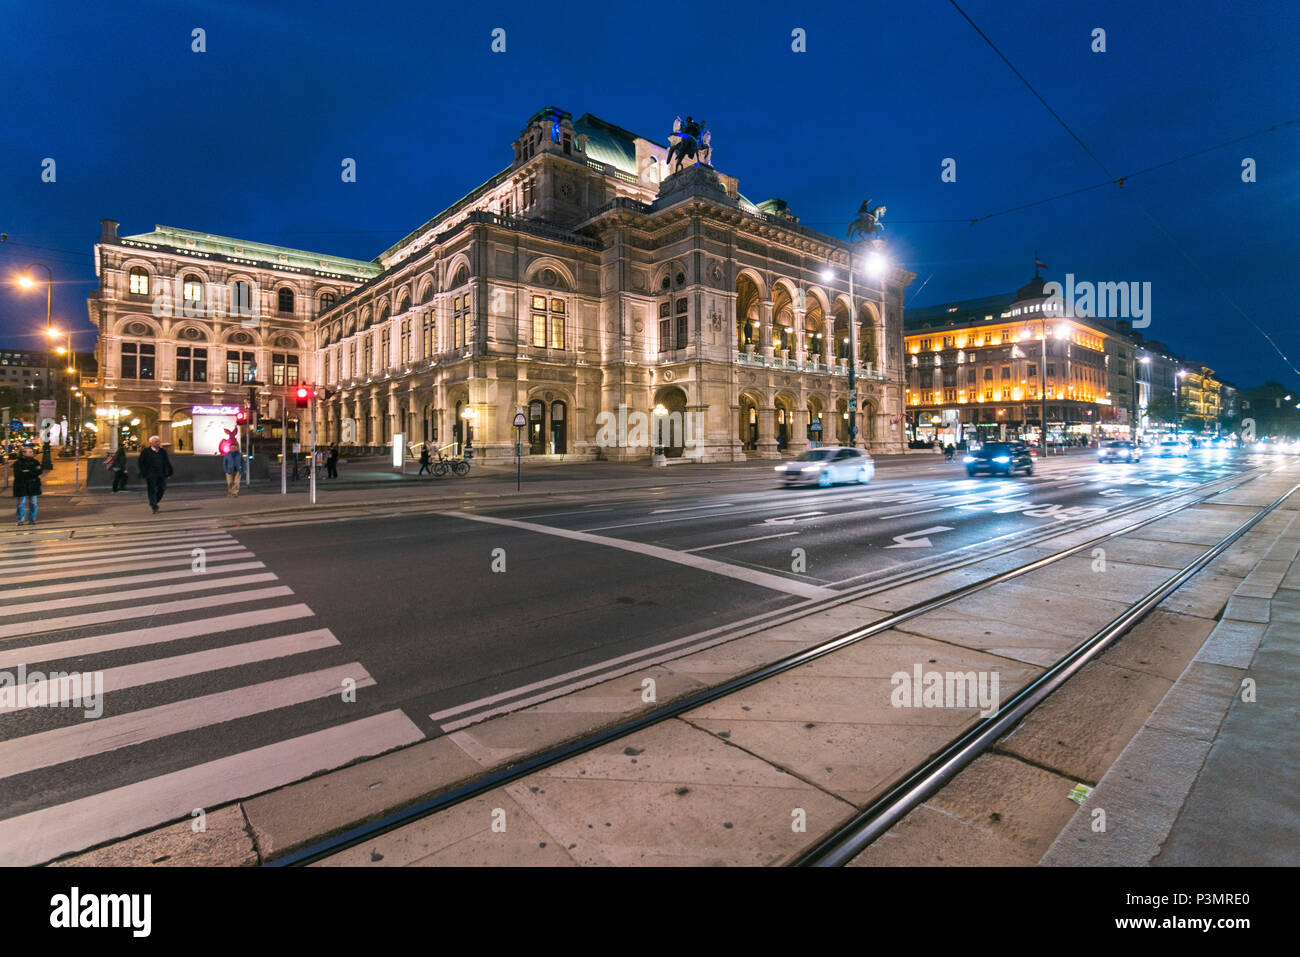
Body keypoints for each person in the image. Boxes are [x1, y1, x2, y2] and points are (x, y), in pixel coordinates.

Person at [138, 435, 174, 513]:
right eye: (156, 441)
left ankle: (154, 501)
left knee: (162, 488)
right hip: (151, 474)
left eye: (158, 441)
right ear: (151, 443)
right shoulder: (145, 451)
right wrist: (144, 472)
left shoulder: (162, 451)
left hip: (161, 473)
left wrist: (169, 472)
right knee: (152, 490)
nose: (158, 443)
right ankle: (154, 506)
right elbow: (141, 463)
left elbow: (167, 462)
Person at [13, 445, 42, 526]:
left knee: (33, 503)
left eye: (31, 451)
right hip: (21, 485)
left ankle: (32, 519)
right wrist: (32, 472)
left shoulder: (35, 462)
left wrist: (27, 471)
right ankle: (20, 520)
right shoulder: (17, 463)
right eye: (30, 452)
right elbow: (18, 474)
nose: (32, 453)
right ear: (23, 453)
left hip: (33, 485)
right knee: (21, 503)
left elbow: (39, 472)